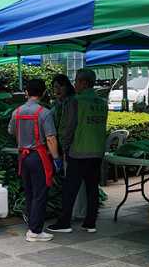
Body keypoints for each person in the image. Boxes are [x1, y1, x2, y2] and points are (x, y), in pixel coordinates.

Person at [47, 69, 109, 234]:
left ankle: (64, 222)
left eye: (76, 81)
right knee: (92, 188)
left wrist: (63, 148)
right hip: (97, 151)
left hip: (78, 151)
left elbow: (68, 128)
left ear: (84, 82)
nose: (74, 84)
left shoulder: (75, 101)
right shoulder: (102, 102)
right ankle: (90, 222)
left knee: (70, 188)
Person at [8, 78, 61, 242]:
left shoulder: (16, 112)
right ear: (44, 93)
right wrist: (57, 159)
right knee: (40, 193)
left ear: (26, 93)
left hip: (23, 157)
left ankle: (32, 226)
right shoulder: (44, 113)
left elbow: (11, 131)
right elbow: (51, 138)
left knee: (29, 192)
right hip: (39, 157)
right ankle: (35, 231)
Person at [50, 74, 77, 160]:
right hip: (60, 144)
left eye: (61, 86)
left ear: (67, 87)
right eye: (55, 87)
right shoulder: (56, 104)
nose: (57, 90)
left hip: (71, 144)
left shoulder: (73, 102)